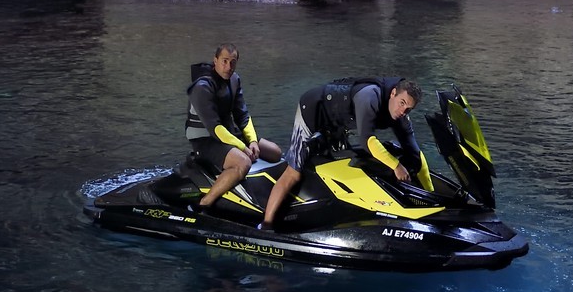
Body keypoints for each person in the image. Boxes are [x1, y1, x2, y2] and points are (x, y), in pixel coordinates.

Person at [261, 75, 433, 228]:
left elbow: (416, 155)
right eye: (402, 103)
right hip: (313, 110)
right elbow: (368, 141)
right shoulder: (369, 96)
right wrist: (396, 166)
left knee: (338, 166)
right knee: (294, 173)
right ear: (393, 93)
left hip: (337, 123)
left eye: (409, 109)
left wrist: (431, 197)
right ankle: (266, 224)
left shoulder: (402, 116)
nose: (403, 111)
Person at [185, 43, 282, 210]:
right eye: (224, 61)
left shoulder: (234, 80)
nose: (228, 67)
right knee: (243, 162)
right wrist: (243, 148)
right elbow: (215, 128)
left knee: (275, 152)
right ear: (215, 61)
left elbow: (243, 116)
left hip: (229, 134)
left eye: (233, 62)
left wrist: (252, 141)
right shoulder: (202, 87)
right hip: (206, 140)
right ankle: (204, 204)